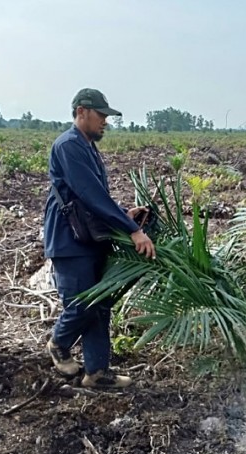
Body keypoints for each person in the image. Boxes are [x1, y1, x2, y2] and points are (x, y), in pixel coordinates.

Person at [43, 88, 156, 388]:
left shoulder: (87, 146)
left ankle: (96, 373)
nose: (105, 121)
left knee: (99, 303)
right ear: (82, 112)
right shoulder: (68, 145)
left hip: (88, 238)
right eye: (101, 115)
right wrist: (133, 230)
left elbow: (94, 197)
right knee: (83, 304)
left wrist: (123, 214)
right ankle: (58, 343)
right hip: (70, 241)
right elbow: (89, 195)